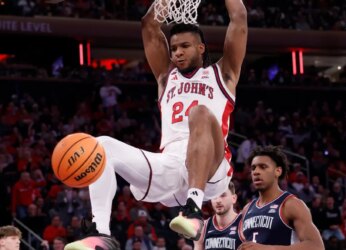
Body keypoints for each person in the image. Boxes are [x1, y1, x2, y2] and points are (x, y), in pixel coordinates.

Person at [64, 0, 247, 248]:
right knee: (101, 145)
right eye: (173, 48)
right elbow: (149, 25)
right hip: (170, 168)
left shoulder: (223, 74)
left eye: (185, 46)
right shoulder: (166, 77)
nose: (177, 53)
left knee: (199, 113)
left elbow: (238, 17)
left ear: (201, 47)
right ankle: (101, 235)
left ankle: (193, 212)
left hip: (212, 169)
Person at [238, 145, 324, 250]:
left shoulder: (291, 204)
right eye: (253, 168)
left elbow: (316, 246)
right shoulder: (246, 209)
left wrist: (267, 249)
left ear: (278, 171)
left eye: (263, 167)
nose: (256, 172)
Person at [194, 182, 243, 250]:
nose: (218, 200)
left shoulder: (243, 224)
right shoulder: (203, 227)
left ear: (234, 198)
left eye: (223, 195)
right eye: (214, 196)